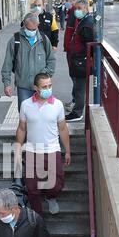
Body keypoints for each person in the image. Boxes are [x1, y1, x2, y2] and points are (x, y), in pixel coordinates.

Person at [15, 73, 70, 216]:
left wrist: (68, 150)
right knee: (32, 187)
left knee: (56, 185)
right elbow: (22, 128)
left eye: (50, 85)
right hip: (33, 151)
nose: (48, 89)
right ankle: (36, 216)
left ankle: (50, 197)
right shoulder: (26, 105)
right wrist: (18, 148)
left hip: (53, 150)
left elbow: (63, 128)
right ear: (36, 88)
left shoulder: (57, 105)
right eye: (44, 86)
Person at [2, 12, 56, 111]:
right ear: (24, 25)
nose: (31, 32)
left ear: (38, 26)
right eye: (29, 29)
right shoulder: (15, 40)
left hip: (41, 87)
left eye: (34, 29)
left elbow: (51, 60)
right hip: (23, 87)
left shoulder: (44, 40)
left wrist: (45, 75)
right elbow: (7, 64)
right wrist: (7, 84)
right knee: (25, 115)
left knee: (43, 114)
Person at [65, 0, 94, 122]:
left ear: (86, 8)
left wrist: (87, 58)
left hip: (81, 61)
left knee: (79, 88)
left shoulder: (87, 23)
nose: (76, 11)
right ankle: (77, 110)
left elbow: (89, 44)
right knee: (77, 86)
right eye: (75, 9)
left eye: (79, 8)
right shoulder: (82, 20)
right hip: (78, 60)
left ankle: (77, 113)